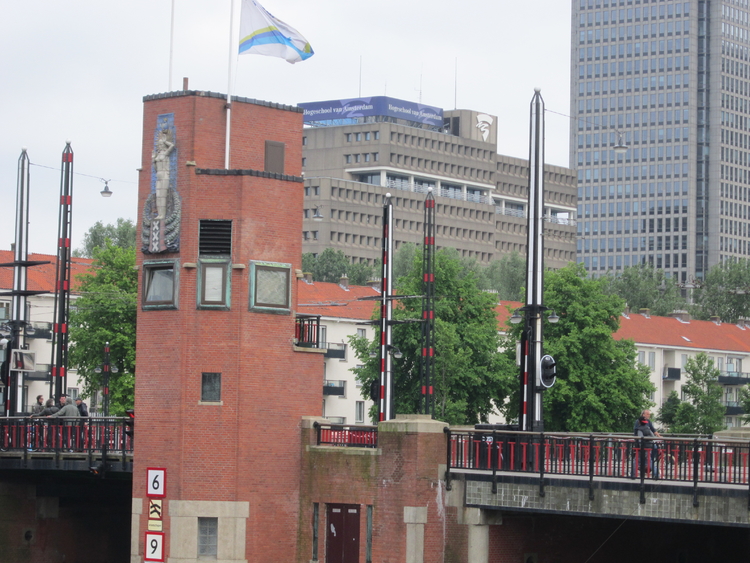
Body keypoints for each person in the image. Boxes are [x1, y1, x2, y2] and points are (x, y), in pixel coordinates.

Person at [633, 409, 661, 478]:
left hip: (642, 446)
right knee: (649, 459)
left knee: (636, 460)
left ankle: (633, 474)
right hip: (648, 445)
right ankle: (656, 473)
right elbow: (652, 433)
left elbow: (639, 436)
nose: (649, 415)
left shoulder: (642, 426)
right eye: (648, 414)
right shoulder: (646, 426)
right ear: (643, 415)